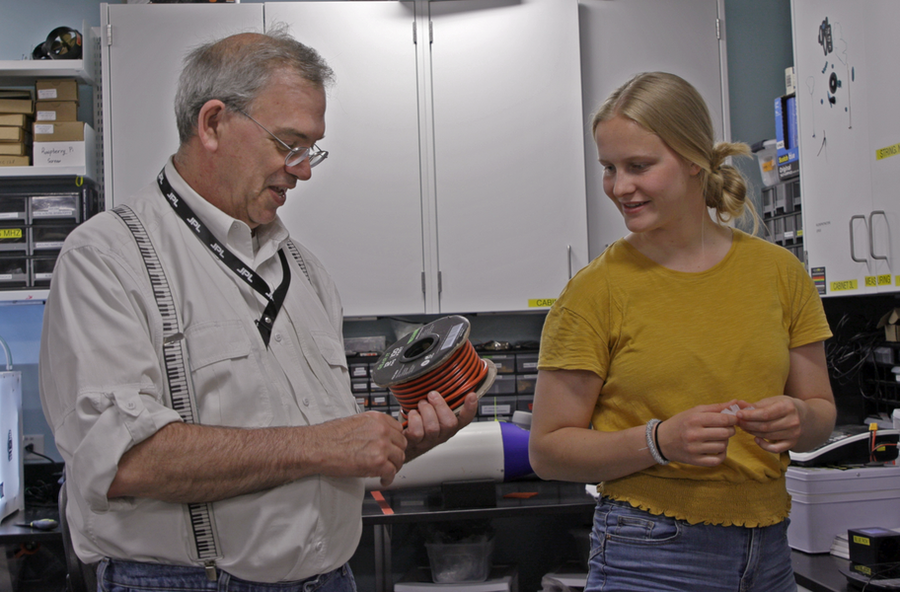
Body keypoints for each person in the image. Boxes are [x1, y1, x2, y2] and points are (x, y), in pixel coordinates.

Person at [39, 30, 477, 592]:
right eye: (289, 143)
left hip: (330, 578)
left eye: (312, 149)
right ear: (214, 123)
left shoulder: (307, 274)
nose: (304, 170)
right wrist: (324, 444)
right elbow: (124, 462)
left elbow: (319, 456)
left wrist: (398, 444)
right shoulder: (106, 257)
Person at [528, 72, 835, 592]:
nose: (619, 187)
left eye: (639, 166)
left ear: (694, 159)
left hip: (772, 550)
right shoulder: (594, 292)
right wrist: (658, 441)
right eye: (609, 168)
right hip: (648, 552)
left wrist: (798, 417)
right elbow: (549, 450)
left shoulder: (781, 273)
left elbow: (821, 416)